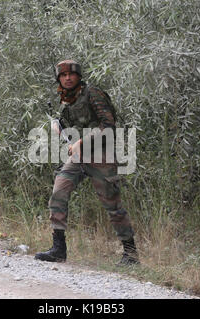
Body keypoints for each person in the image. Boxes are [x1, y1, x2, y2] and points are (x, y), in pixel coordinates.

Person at [35, 59, 139, 265]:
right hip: (79, 156)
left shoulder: (93, 93)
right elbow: (74, 128)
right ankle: (58, 249)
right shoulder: (65, 100)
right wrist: (61, 129)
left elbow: (109, 125)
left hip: (101, 155)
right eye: (63, 75)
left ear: (78, 76)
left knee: (112, 205)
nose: (67, 78)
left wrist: (83, 141)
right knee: (59, 192)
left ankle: (131, 254)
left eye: (71, 74)